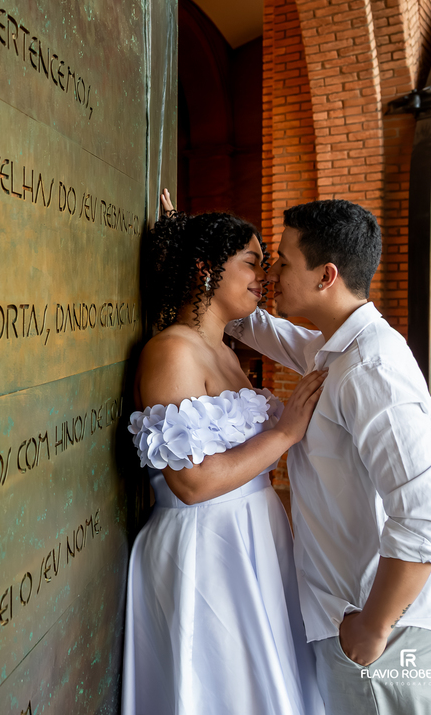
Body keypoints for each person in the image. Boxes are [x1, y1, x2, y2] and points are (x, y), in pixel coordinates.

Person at [226, 199, 431, 715]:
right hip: (361, 612)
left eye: (283, 262)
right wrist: (199, 268)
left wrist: (372, 629)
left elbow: (425, 517)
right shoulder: (334, 347)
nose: (271, 273)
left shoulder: (370, 369)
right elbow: (261, 329)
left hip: (387, 624)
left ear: (325, 275)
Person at [121, 191, 326, 715]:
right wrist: (286, 433)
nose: (265, 278)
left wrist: (178, 229)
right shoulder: (172, 351)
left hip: (253, 537)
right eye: (253, 263)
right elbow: (190, 484)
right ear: (205, 267)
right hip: (206, 547)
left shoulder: (226, 349)